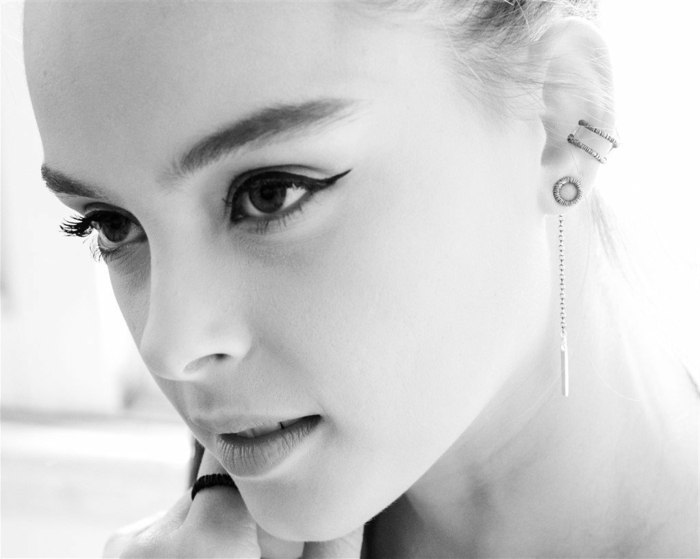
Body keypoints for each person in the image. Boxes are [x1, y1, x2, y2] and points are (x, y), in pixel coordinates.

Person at [23, 0, 698, 557]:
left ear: (560, 121)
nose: (171, 344)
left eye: (270, 193)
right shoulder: (248, 485)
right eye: (112, 224)